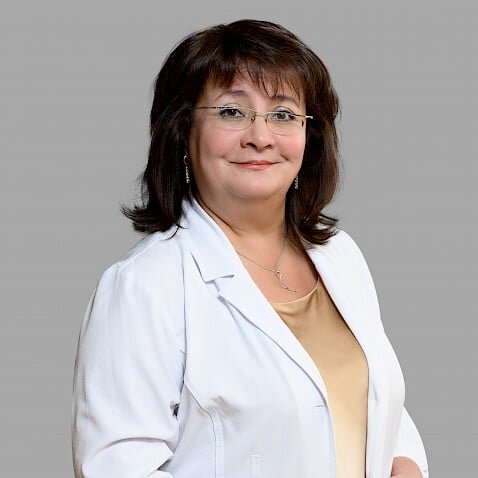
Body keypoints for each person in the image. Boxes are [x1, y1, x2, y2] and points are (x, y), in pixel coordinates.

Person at [72, 19, 428, 478]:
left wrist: (405, 464)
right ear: (183, 133)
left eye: (283, 115)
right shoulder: (144, 286)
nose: (260, 136)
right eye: (231, 112)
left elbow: (374, 401)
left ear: (309, 137)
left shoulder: (340, 256)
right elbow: (117, 468)